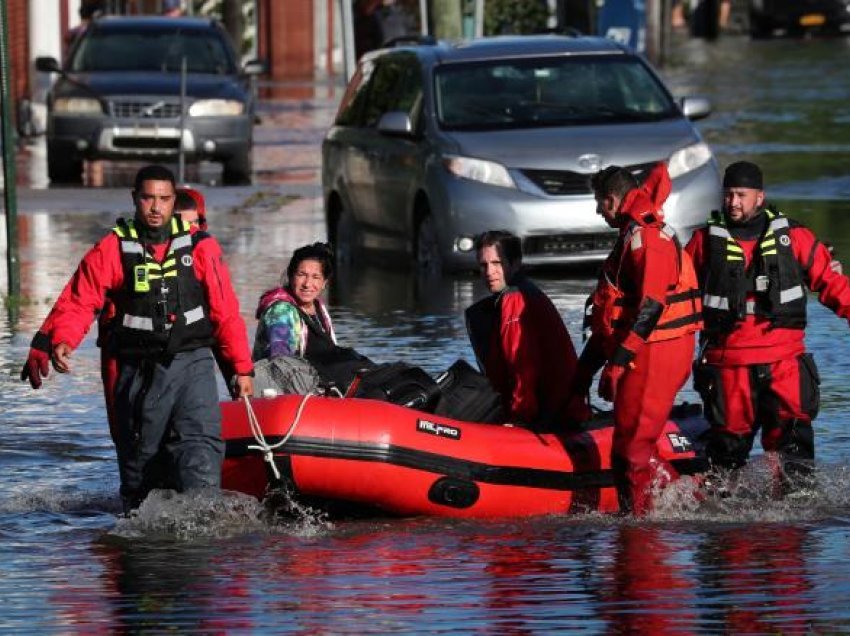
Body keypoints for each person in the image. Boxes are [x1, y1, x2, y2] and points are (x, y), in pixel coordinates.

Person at [20, 165, 254, 513]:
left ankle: (204, 530)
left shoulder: (201, 247)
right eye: (148, 198)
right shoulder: (112, 248)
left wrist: (241, 368)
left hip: (193, 363)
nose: (156, 207)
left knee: (201, 446)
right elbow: (80, 299)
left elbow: (225, 311)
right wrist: (63, 340)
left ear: (174, 201)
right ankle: (143, 539)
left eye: (163, 199)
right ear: (135, 199)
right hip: (138, 370)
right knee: (142, 465)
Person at [686, 161, 850, 483]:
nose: (733, 202)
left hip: (783, 363)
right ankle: (723, 522)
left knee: (796, 458)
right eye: (729, 194)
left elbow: (834, 285)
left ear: (760, 197)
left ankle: (797, 522)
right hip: (729, 364)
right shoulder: (704, 243)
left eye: (741, 195)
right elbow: (674, 294)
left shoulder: (796, 237)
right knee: (725, 460)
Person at [570, 163, 702, 515]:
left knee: (631, 450)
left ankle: (639, 529)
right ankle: (689, 503)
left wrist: (617, 363)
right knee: (633, 444)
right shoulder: (632, 235)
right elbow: (616, 312)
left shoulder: (648, 239)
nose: (599, 211)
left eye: (600, 203)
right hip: (647, 348)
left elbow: (651, 306)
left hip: (656, 349)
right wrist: (585, 371)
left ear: (612, 200)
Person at [465, 230, 583, 430]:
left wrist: (520, 418)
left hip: (554, 416)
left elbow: (522, 365)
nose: (489, 272)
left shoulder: (516, 299)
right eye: (483, 265)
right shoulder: (521, 294)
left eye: (497, 263)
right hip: (558, 408)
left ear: (515, 263)